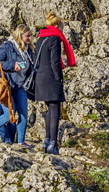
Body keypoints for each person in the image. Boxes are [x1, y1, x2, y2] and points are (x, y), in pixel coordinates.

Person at [29, 13, 77, 155]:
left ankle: (46, 140)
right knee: (55, 109)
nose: (62, 29)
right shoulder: (55, 39)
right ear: (56, 25)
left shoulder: (40, 39)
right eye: (61, 26)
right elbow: (54, 61)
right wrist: (59, 78)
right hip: (51, 77)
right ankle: (53, 144)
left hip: (40, 78)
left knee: (50, 109)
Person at [0, 26, 31, 145]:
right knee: (8, 115)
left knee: (23, 114)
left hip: (20, 86)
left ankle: (21, 142)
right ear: (20, 35)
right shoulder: (7, 46)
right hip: (7, 86)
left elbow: (30, 66)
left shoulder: (28, 49)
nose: (30, 38)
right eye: (27, 36)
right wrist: (12, 65)